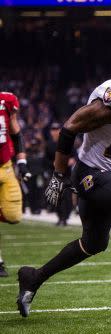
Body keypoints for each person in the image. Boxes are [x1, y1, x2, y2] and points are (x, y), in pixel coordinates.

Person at [18, 44, 111, 317]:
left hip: (105, 173)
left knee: (94, 243)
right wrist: (58, 176)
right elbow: (69, 128)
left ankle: (33, 277)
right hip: (92, 175)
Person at [0, 92, 31, 277]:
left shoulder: (6, 100)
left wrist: (22, 162)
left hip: (5, 166)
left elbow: (16, 131)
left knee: (14, 215)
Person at [45, 122, 75, 226]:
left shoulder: (66, 142)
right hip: (54, 174)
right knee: (57, 196)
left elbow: (75, 155)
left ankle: (65, 217)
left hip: (67, 174)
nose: (55, 131)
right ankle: (60, 217)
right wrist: (52, 164)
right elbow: (45, 160)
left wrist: (71, 160)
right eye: (53, 129)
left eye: (57, 129)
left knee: (66, 196)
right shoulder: (49, 145)